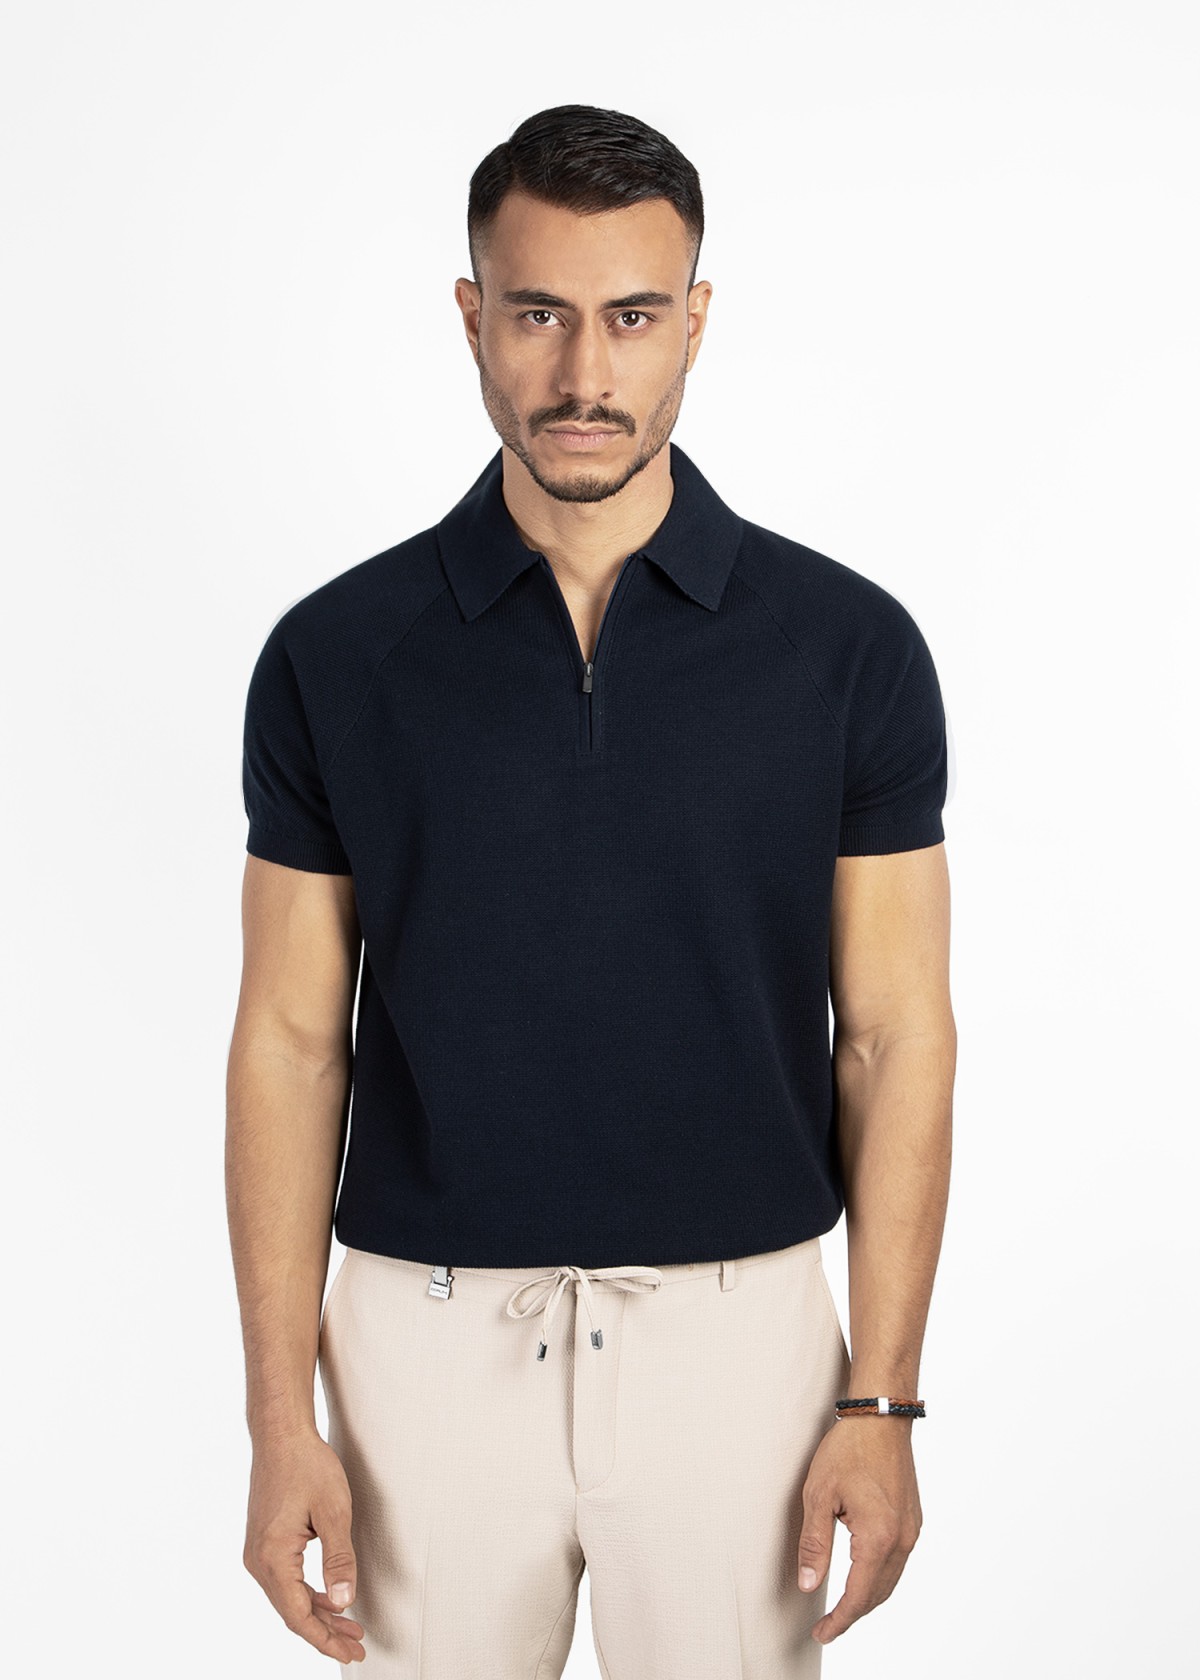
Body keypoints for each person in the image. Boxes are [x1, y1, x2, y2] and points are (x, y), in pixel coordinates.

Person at [227, 102, 956, 1678]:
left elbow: (896, 1036)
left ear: (695, 319)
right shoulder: (338, 656)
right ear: (471, 315)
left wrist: (883, 1398)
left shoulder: (845, 650)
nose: (583, 374)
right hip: (422, 1344)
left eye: (631, 317)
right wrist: (280, 1420)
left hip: (744, 1344)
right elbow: (288, 1039)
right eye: (538, 313)